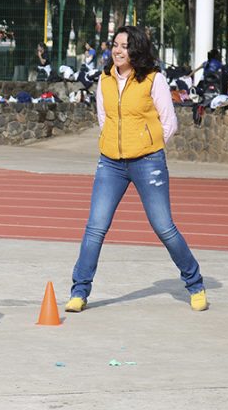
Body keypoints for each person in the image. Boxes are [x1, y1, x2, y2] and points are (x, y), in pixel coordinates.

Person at [65, 26, 208, 313]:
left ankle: (195, 283)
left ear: (137, 50)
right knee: (95, 228)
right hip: (111, 163)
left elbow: (169, 123)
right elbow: (104, 118)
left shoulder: (153, 80)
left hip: (148, 161)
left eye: (124, 46)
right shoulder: (105, 80)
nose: (117, 50)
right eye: (115, 45)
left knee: (163, 227)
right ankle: (79, 291)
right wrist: (113, 145)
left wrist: (145, 144)